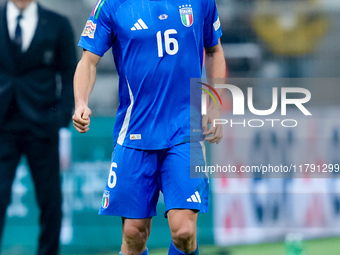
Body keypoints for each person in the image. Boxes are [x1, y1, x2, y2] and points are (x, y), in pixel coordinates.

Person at [73, 0, 226, 254]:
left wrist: (215, 104)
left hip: (184, 131)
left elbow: (214, 50)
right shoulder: (112, 5)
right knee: (134, 234)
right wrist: (81, 103)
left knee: (184, 232)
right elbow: (88, 61)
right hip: (134, 134)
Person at [0, 0, 77, 254]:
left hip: (43, 126)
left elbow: (70, 74)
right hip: (2, 128)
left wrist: (62, 116)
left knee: (50, 201)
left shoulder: (58, 25)